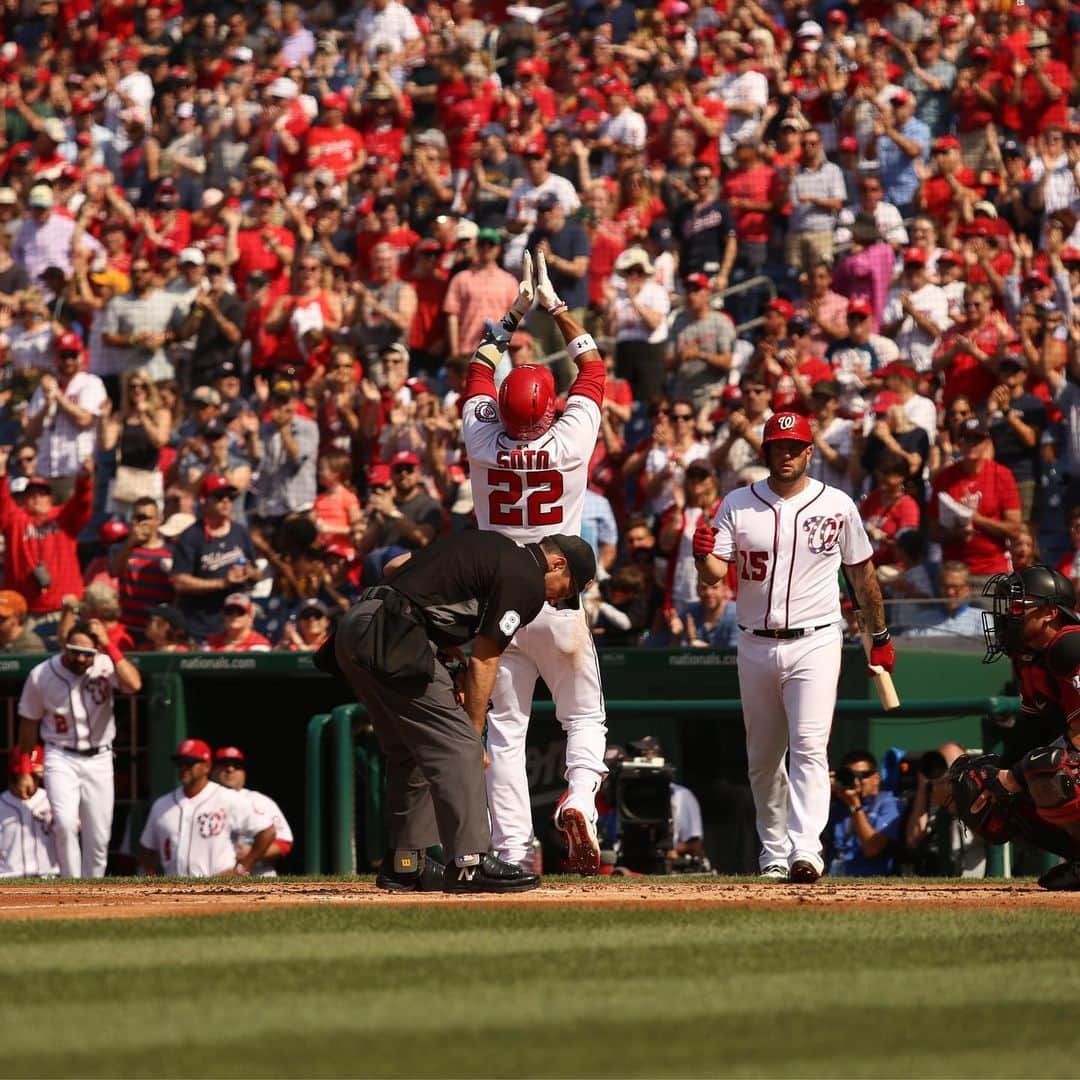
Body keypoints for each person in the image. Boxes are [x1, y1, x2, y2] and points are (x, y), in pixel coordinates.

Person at [320, 527, 595, 894]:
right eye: (567, 588)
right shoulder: (527, 579)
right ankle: (470, 862)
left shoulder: (488, 544)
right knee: (461, 748)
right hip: (395, 636)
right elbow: (485, 657)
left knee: (408, 752)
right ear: (557, 563)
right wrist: (473, 732)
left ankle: (406, 865)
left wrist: (439, 639)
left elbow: (395, 567)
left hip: (356, 628)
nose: (559, 601)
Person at [694, 411, 891, 884]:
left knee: (808, 746)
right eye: (777, 446)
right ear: (766, 452)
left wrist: (880, 638)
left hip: (816, 639)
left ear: (809, 451)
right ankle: (774, 853)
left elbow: (862, 575)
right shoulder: (738, 502)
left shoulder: (838, 503)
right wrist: (702, 556)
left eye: (793, 446)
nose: (785, 454)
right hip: (754, 641)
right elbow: (715, 576)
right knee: (763, 756)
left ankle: (806, 850)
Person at [461, 251, 608, 875]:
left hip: (498, 600)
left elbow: (477, 369)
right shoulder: (570, 438)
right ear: (548, 407)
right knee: (583, 714)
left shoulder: (482, 438)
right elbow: (593, 368)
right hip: (559, 593)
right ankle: (578, 797)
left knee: (507, 731)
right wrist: (555, 309)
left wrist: (512, 312)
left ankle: (514, 849)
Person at [949, 566, 1080, 890]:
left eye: (1020, 606)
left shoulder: (1070, 645)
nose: (1010, 614)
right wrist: (998, 778)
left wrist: (1019, 775)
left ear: (1050, 613)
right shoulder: (1027, 656)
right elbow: (1031, 728)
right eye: (1009, 605)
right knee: (986, 786)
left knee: (1050, 770)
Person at [16, 619, 142, 877]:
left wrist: (109, 645)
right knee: (63, 824)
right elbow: (29, 724)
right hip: (60, 755)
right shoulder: (42, 674)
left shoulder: (105, 664)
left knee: (98, 835)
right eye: (75, 652)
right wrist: (25, 769)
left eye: (87, 654)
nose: (81, 659)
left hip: (100, 757)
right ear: (65, 646)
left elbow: (133, 685)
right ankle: (70, 884)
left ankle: (92, 889)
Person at [139, 738, 277, 877]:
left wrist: (242, 869)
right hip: (176, 889)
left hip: (219, 886)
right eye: (179, 762)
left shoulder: (228, 798)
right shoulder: (161, 804)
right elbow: (146, 847)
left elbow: (267, 832)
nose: (183, 767)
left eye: (189, 763)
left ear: (207, 766)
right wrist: (152, 876)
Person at [0, 448, 94, 624]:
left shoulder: (63, 517)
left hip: (63, 607)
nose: (37, 498)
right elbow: (2, 501)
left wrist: (84, 480)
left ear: (51, 498)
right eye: (31, 494)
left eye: (43, 493)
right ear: (24, 499)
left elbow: (82, 502)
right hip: (24, 610)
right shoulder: (15, 521)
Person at [171, 473, 260, 642]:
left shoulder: (240, 532)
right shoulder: (192, 536)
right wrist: (222, 583)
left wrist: (249, 573)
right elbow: (179, 581)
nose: (226, 501)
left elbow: (256, 573)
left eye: (229, 497)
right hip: (200, 626)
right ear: (205, 501)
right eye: (219, 497)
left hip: (235, 627)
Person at [211, 746, 294, 876]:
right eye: (224, 764)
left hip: (259, 876)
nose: (230, 769)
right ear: (211, 769)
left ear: (244, 772)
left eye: (237, 766)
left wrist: (252, 853)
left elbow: (284, 843)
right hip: (213, 878)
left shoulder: (261, 802)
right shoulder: (202, 803)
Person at [828, 749, 903, 877]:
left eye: (861, 775)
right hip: (834, 877)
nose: (855, 781)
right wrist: (823, 791)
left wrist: (855, 805)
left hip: (870, 880)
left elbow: (872, 848)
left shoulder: (889, 802)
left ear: (876, 778)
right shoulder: (838, 804)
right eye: (850, 775)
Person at [109, 497, 174, 642]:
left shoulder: (171, 552)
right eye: (138, 517)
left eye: (147, 518)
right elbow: (115, 571)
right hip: (127, 626)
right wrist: (131, 542)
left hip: (157, 630)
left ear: (158, 520)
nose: (142, 522)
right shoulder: (121, 548)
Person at [0, 745, 58, 878]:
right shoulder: (2, 803)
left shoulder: (53, 799)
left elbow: (76, 826)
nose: (29, 782)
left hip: (49, 877)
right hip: (8, 878)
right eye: (22, 775)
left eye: (35, 776)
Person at [904, 561, 985, 638]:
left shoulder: (981, 620)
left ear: (967, 589)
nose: (950, 592)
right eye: (945, 587)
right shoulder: (920, 621)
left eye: (956, 587)